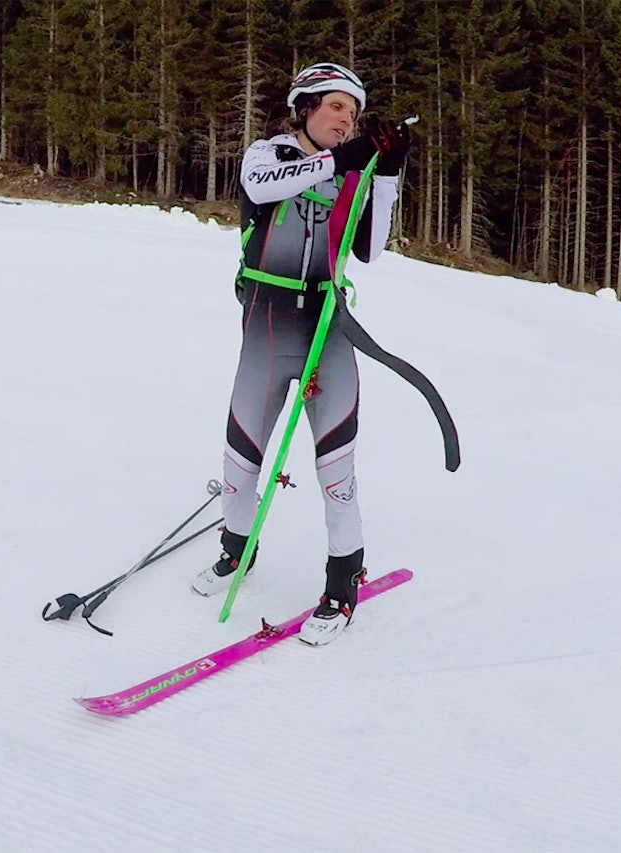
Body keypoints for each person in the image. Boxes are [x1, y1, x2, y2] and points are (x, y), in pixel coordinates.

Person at [191, 62, 411, 646]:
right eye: (336, 106)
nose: (346, 120)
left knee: (337, 472)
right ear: (306, 107)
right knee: (239, 466)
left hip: (327, 331)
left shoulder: (351, 172)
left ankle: (342, 586)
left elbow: (370, 250)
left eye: (353, 113)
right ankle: (236, 551)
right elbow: (265, 188)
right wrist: (343, 159)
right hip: (267, 330)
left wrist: (387, 174)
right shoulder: (266, 155)